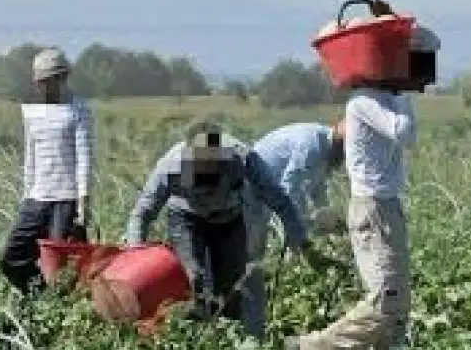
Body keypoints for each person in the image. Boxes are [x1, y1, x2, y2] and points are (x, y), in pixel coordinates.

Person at [284, 11, 440, 350]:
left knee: (398, 300)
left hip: (386, 206)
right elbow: (406, 133)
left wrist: (402, 25)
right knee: (386, 298)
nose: (424, 75)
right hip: (373, 208)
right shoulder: (365, 101)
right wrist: (404, 92)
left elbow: (430, 43)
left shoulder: (382, 98)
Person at [122, 120, 327, 325]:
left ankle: (228, 336)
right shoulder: (170, 167)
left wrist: (303, 243)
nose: (207, 172)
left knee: (231, 289)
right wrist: (135, 252)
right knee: (195, 279)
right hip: (186, 219)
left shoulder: (242, 158)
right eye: (200, 165)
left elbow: (278, 198)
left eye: (212, 164)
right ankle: (196, 329)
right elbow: (142, 212)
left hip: (229, 219)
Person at [0, 47, 93, 296]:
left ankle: (58, 308)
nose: (42, 88)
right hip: (37, 197)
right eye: (39, 83)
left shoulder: (77, 110)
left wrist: (83, 206)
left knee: (61, 266)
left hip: (65, 199)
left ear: (61, 78)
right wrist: (26, 196)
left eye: (47, 82)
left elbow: (84, 159)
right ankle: (39, 296)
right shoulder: (30, 111)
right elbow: (30, 158)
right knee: (11, 257)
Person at [242, 119, 347, 339]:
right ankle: (247, 317)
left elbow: (318, 191)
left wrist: (328, 220)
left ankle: (265, 304)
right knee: (252, 254)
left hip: (270, 190)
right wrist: (300, 228)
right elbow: (289, 188)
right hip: (252, 187)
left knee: (267, 251)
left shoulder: (325, 154)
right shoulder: (311, 145)